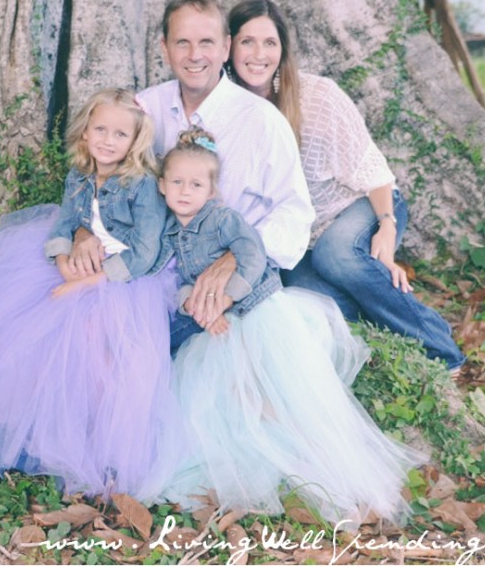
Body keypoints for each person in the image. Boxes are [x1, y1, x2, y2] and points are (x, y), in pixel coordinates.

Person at [0, 88, 182, 500]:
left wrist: (80, 284)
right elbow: (63, 224)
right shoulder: (79, 177)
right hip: (78, 275)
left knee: (87, 346)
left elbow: (145, 255)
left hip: (126, 285)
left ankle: (97, 459)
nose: (107, 140)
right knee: (20, 333)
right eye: (99, 129)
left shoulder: (142, 187)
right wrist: (64, 263)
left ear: (135, 142)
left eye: (120, 134)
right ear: (84, 133)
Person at [153, 129, 424, 521]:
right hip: (220, 324)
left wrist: (226, 299)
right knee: (221, 399)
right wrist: (197, 307)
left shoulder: (224, 219)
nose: (184, 191)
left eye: (195, 184)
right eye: (176, 182)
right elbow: (182, 284)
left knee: (281, 394)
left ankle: (314, 461)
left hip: (260, 311)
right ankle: (251, 462)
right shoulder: (172, 232)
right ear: (162, 186)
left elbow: (253, 257)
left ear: (212, 191)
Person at [226, 0, 467, 373]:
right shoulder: (227, 110)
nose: (259, 54)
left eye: (270, 43)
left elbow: (373, 171)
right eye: (247, 41)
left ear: (283, 51)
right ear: (229, 46)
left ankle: (441, 349)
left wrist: (386, 228)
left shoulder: (317, 97)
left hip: (360, 206)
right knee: (311, 301)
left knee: (335, 256)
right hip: (298, 236)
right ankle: (388, 323)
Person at [67, 0, 314, 351]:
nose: (194, 55)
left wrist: (233, 257)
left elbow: (295, 213)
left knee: (151, 353)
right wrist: (81, 230)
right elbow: (98, 174)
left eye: (206, 43)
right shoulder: (144, 108)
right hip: (150, 266)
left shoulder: (261, 121)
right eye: (182, 42)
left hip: (226, 270)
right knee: (79, 330)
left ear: (227, 47)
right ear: (164, 49)